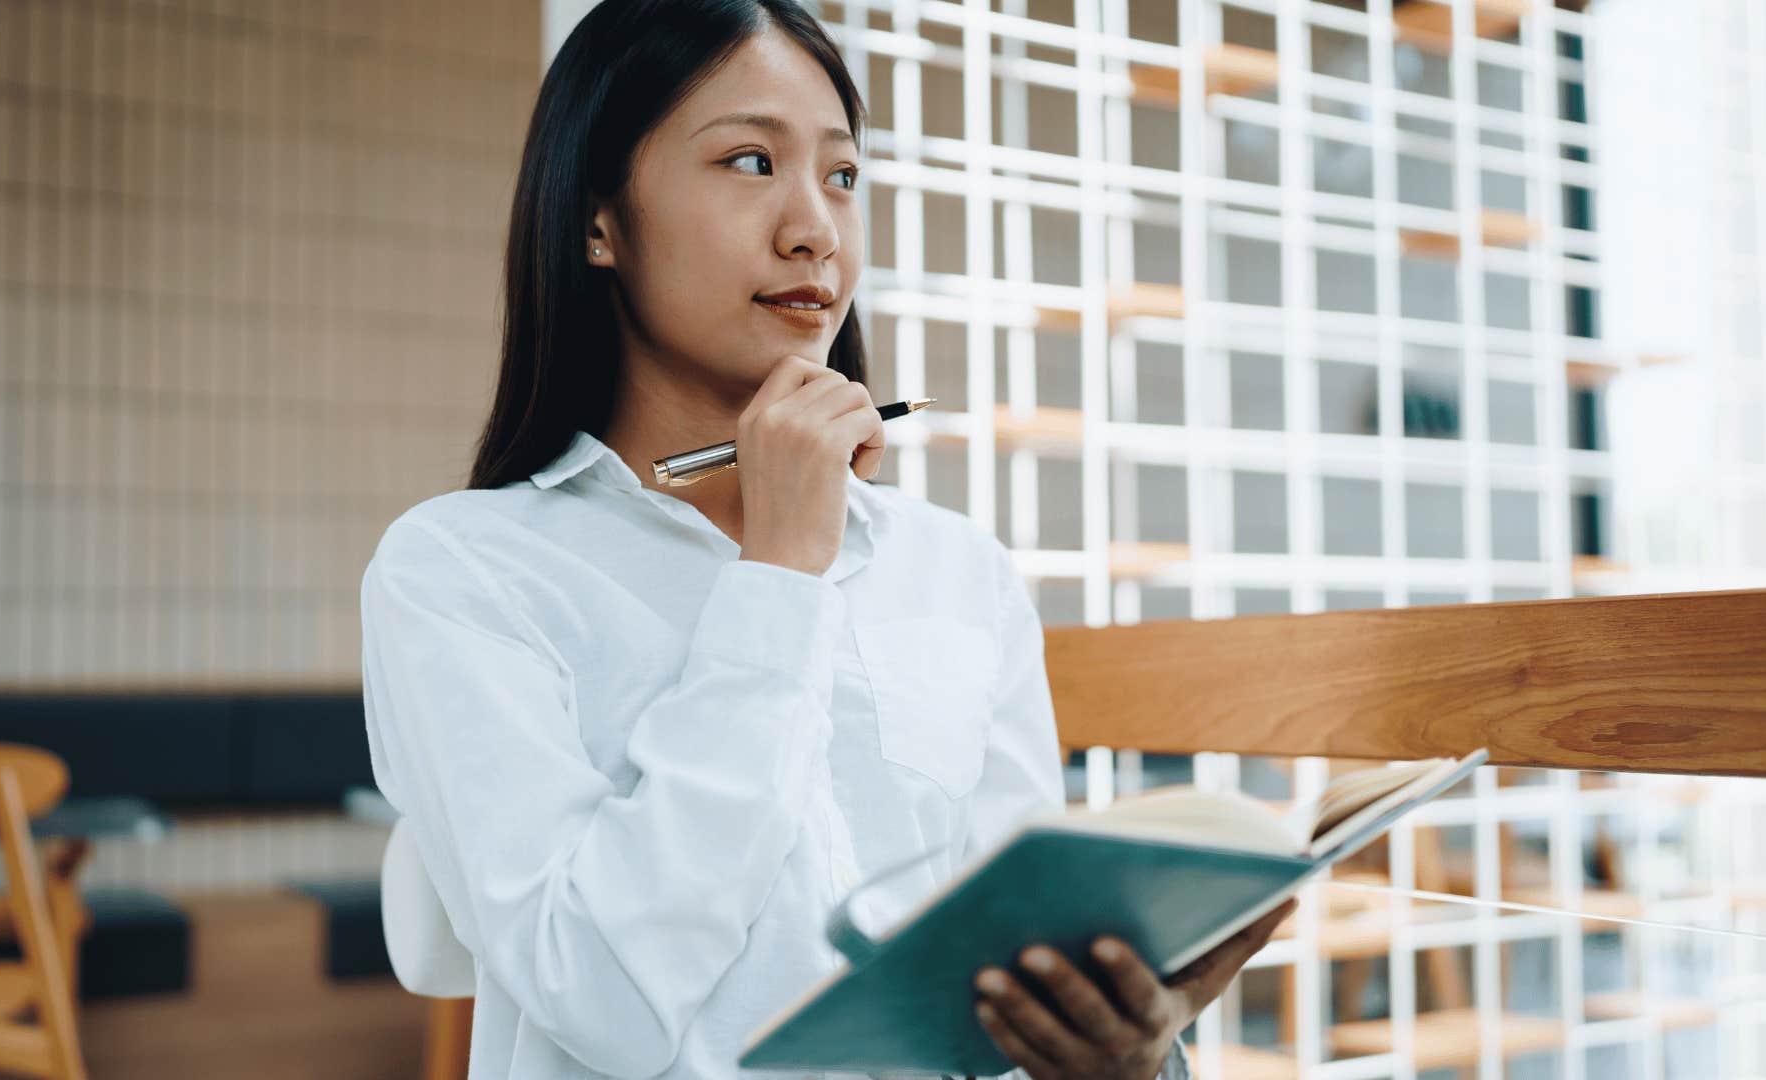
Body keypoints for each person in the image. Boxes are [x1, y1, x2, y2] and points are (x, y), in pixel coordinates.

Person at [358, 2, 1292, 1077]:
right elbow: (601, 996)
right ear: (596, 219)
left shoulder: (962, 574)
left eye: (843, 177)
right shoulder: (465, 569)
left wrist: (1124, 1052)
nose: (816, 230)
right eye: (751, 161)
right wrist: (781, 573)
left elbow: (998, 983)